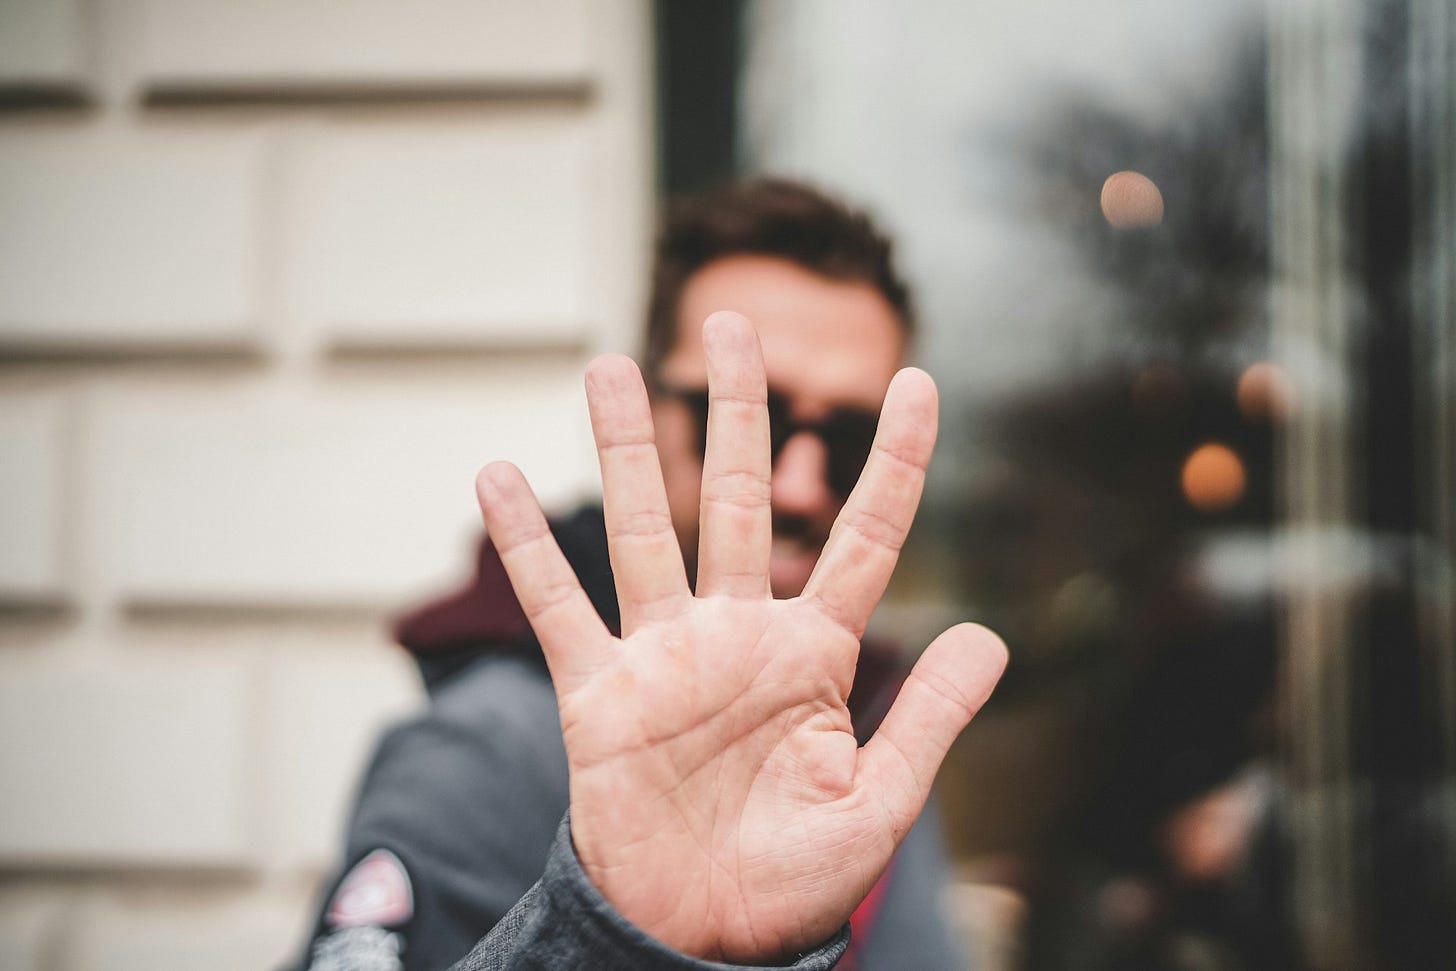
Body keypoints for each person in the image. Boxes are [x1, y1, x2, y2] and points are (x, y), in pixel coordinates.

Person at [293, 180, 1007, 970]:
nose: (801, 487)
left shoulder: (865, 727)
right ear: (650, 404)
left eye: (848, 438)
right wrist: (605, 941)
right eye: (747, 415)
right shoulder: (485, 749)